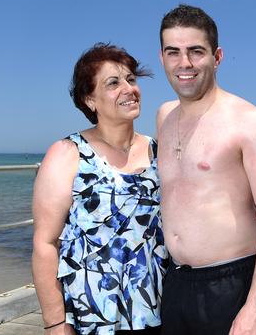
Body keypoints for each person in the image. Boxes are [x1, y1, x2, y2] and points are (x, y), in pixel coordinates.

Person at [156, 4, 256, 334]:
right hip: (174, 281)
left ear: (217, 57)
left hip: (231, 284)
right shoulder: (164, 116)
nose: (184, 63)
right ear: (162, 58)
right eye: (173, 52)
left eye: (195, 52)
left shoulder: (250, 123)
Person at [32, 43, 167, 335]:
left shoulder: (160, 151)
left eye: (131, 79)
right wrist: (55, 323)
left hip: (156, 311)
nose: (129, 88)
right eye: (113, 83)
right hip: (92, 316)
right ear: (89, 99)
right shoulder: (67, 153)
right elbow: (45, 243)